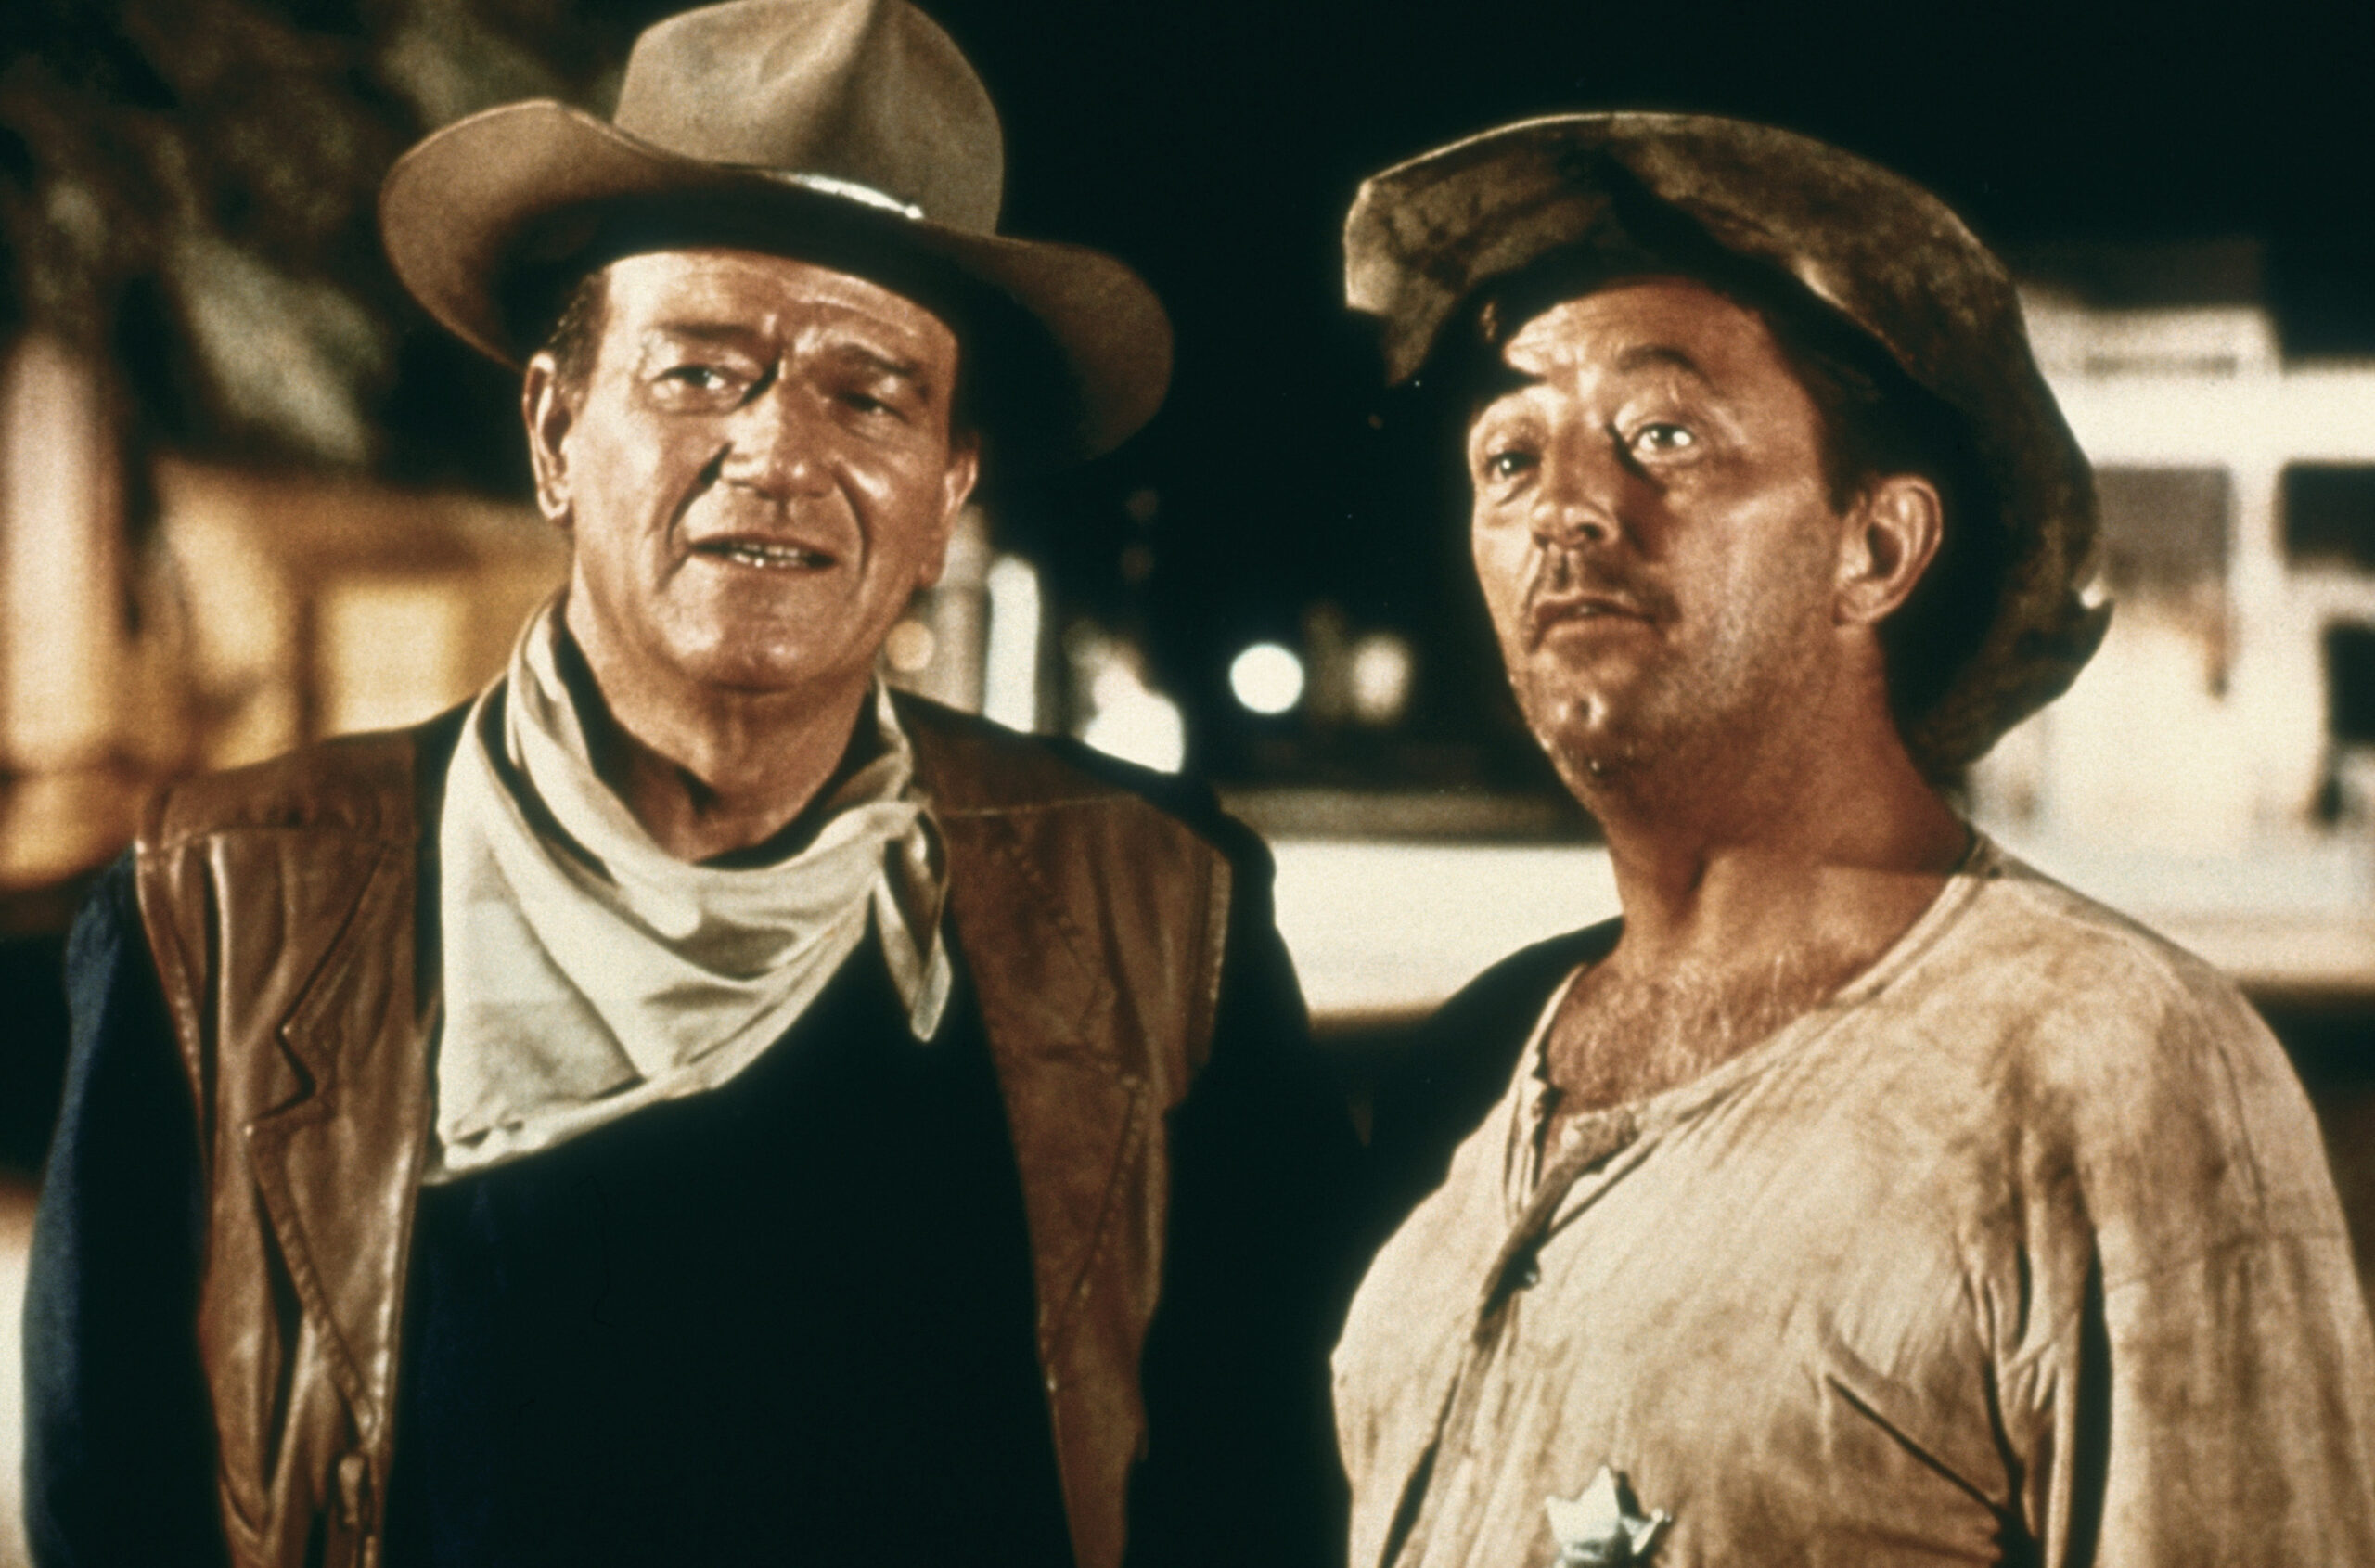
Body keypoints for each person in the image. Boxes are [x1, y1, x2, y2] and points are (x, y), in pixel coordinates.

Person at [24, 4, 1355, 1565]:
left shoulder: (1164, 915)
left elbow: (1271, 1494)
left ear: (946, 495)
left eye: (871, 394)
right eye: (702, 370)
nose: (778, 451)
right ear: (554, 430)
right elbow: (112, 1511)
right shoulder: (221, 912)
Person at [1332, 113, 2375, 1566]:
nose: (1562, 508)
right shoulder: (1480, 1060)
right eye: (1509, 457)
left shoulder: (2110, 1063)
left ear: (1875, 548)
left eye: (1663, 435)